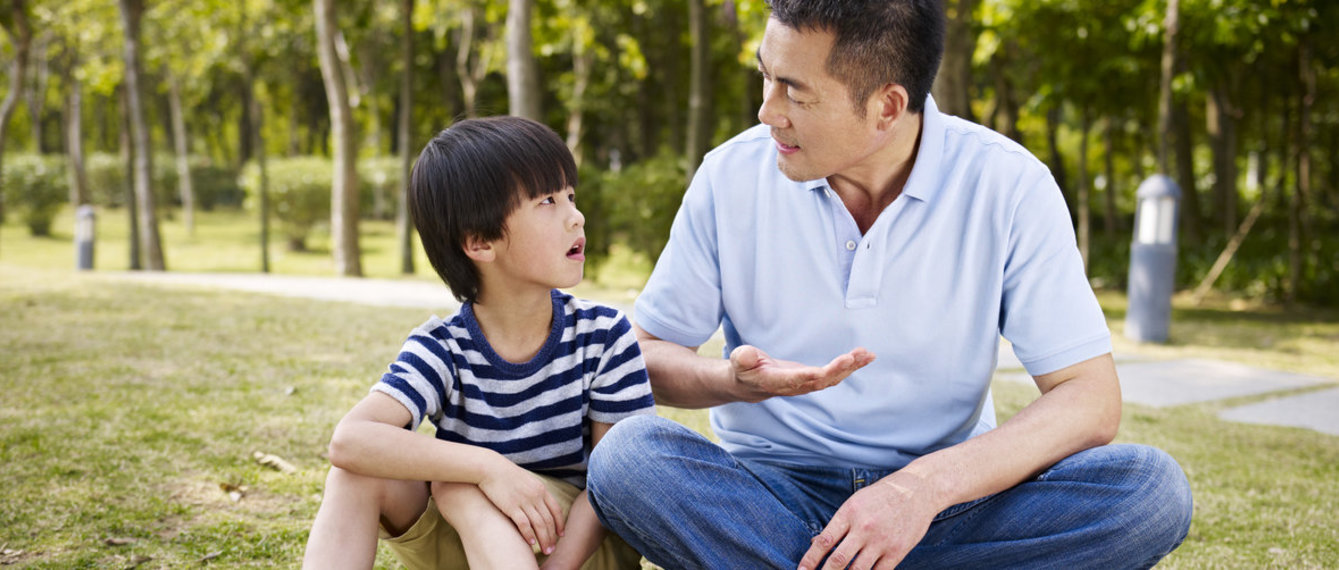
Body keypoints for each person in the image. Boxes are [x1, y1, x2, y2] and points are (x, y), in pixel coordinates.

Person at [585, 1, 1194, 569]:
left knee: (1149, 492)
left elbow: (1088, 398)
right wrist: (732, 383)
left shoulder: (1009, 185)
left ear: (885, 105)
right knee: (629, 460)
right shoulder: (730, 176)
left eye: (793, 91)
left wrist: (917, 492)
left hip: (949, 506)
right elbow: (648, 355)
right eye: (766, 77)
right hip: (769, 496)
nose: (767, 111)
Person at [303, 116, 655, 570]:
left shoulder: (603, 335)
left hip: (579, 547)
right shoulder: (443, 346)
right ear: (480, 242)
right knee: (362, 475)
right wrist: (488, 469)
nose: (576, 215)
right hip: (473, 540)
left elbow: (618, 481)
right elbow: (350, 440)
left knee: (459, 489)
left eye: (570, 195)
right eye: (548, 200)